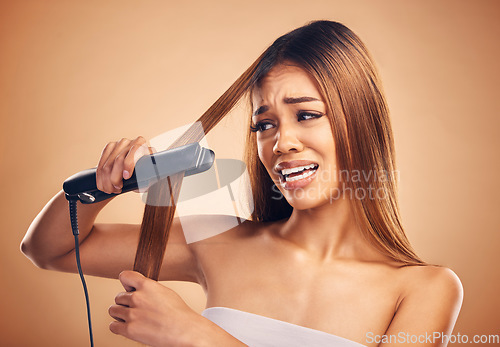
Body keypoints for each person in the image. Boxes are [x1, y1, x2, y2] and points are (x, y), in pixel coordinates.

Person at [21, 20, 463, 346]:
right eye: (264, 124)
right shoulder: (219, 242)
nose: (281, 142)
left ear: (361, 121)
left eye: (306, 115)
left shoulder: (424, 290)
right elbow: (51, 249)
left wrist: (196, 336)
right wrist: (108, 185)